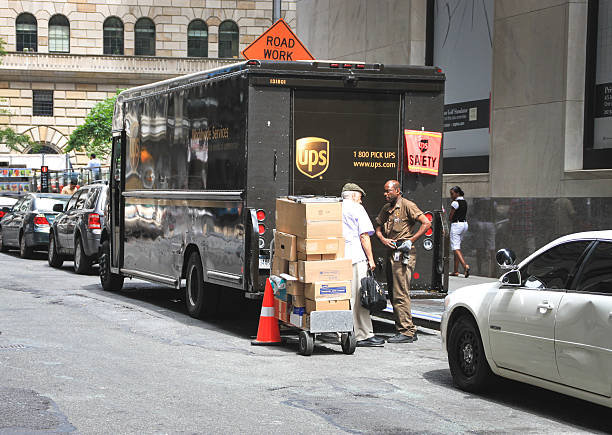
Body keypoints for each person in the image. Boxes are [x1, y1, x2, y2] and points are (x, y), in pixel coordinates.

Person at [375, 180, 430, 344]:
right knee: (393, 292)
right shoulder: (387, 208)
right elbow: (378, 227)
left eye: (389, 191)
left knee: (400, 292)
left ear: (398, 191)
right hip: (391, 251)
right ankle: (406, 328)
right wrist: (383, 239)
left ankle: (406, 331)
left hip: (403, 252)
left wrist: (410, 241)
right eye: (385, 191)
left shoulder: (407, 205)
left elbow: (427, 223)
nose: (386, 194)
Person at [341, 183, 385, 347]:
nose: (361, 201)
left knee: (342, 296)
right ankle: (362, 334)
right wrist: (371, 260)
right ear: (353, 196)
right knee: (359, 297)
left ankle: (340, 330)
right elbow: (364, 236)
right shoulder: (357, 209)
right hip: (354, 257)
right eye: (360, 197)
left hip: (337, 258)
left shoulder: (335, 208)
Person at [449, 186, 470, 277]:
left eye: (452, 194)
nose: (451, 196)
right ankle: (456, 270)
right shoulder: (464, 202)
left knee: (455, 247)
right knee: (457, 246)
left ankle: (465, 266)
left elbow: (451, 216)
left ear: (457, 193)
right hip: (464, 224)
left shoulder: (455, 203)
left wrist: (450, 218)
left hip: (456, 225)